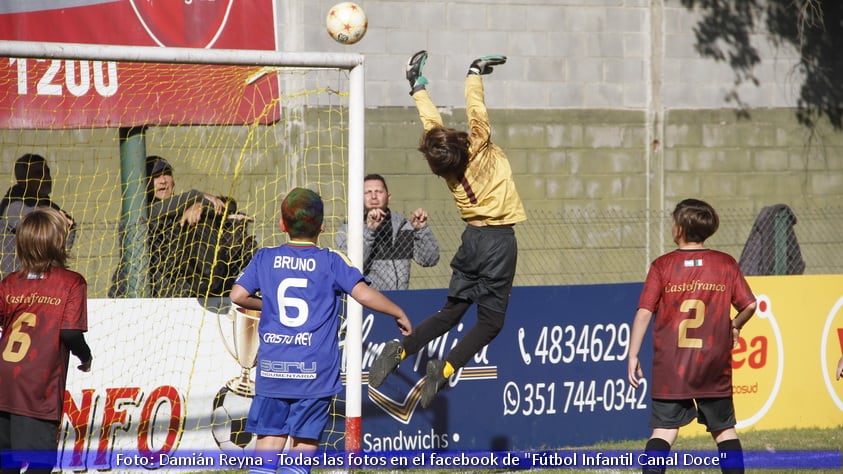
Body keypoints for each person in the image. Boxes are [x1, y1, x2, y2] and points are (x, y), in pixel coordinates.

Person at [368, 51, 527, 409]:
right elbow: (475, 105)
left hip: (471, 240)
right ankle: (444, 369)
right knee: (490, 323)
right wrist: (474, 73)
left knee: (452, 311)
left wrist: (417, 87)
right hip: (499, 242)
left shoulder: (445, 167)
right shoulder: (480, 144)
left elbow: (430, 124)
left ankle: (402, 349)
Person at [229, 187, 411, 473]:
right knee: (303, 445)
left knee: (268, 441)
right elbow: (363, 295)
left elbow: (237, 295)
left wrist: (267, 305)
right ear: (322, 226)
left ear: (282, 224)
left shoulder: (264, 258)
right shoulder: (331, 260)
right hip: (314, 375)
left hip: (273, 372)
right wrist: (398, 311)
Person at [627, 198, 757, 474]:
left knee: (663, 431)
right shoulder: (725, 264)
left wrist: (632, 354)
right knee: (724, 431)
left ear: (679, 229)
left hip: (673, 367)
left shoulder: (662, 266)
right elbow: (750, 304)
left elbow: (643, 312)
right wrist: (735, 326)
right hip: (713, 364)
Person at [0, 207, 92, 474]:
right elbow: (70, 332)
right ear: (59, 242)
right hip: (37, 384)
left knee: (6, 461)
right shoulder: (71, 282)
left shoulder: (9, 283)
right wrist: (85, 357)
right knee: (41, 462)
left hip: (4, 380)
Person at [109, 156, 256, 298]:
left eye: (167, 174)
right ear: (143, 183)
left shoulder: (182, 208)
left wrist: (200, 206)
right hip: (130, 295)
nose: (163, 181)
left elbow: (222, 207)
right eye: (156, 176)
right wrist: (198, 198)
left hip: (174, 292)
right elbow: (163, 209)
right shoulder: (135, 211)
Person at [335, 173, 439, 290]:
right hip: (366, 302)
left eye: (378, 192)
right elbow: (348, 267)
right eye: (368, 192)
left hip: (400, 299)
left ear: (388, 197)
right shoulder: (349, 228)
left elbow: (429, 260)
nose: (374, 196)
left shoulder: (404, 226)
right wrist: (369, 231)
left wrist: (422, 230)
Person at [0, 154, 76, 279]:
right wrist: (59, 223)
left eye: (47, 172)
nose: (45, 177)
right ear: (23, 179)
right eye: (38, 173)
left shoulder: (49, 205)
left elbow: (70, 227)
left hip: (43, 279)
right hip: (16, 282)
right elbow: (35, 224)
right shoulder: (13, 206)